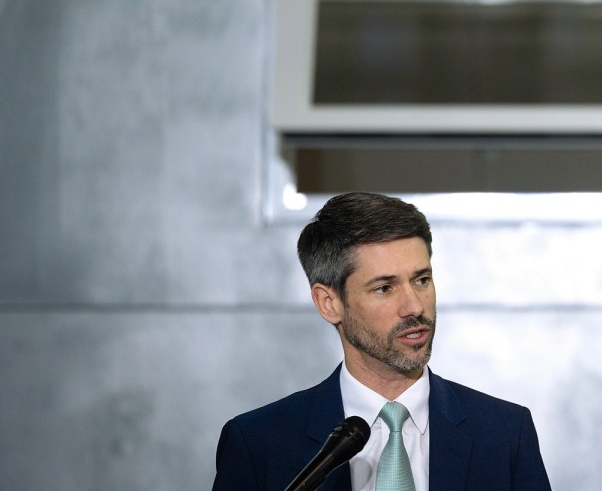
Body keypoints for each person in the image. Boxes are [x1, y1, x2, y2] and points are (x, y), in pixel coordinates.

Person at [212, 192, 553, 491]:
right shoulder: (258, 443)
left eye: (421, 280)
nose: (414, 307)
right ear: (329, 303)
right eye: (384, 288)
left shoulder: (505, 433)